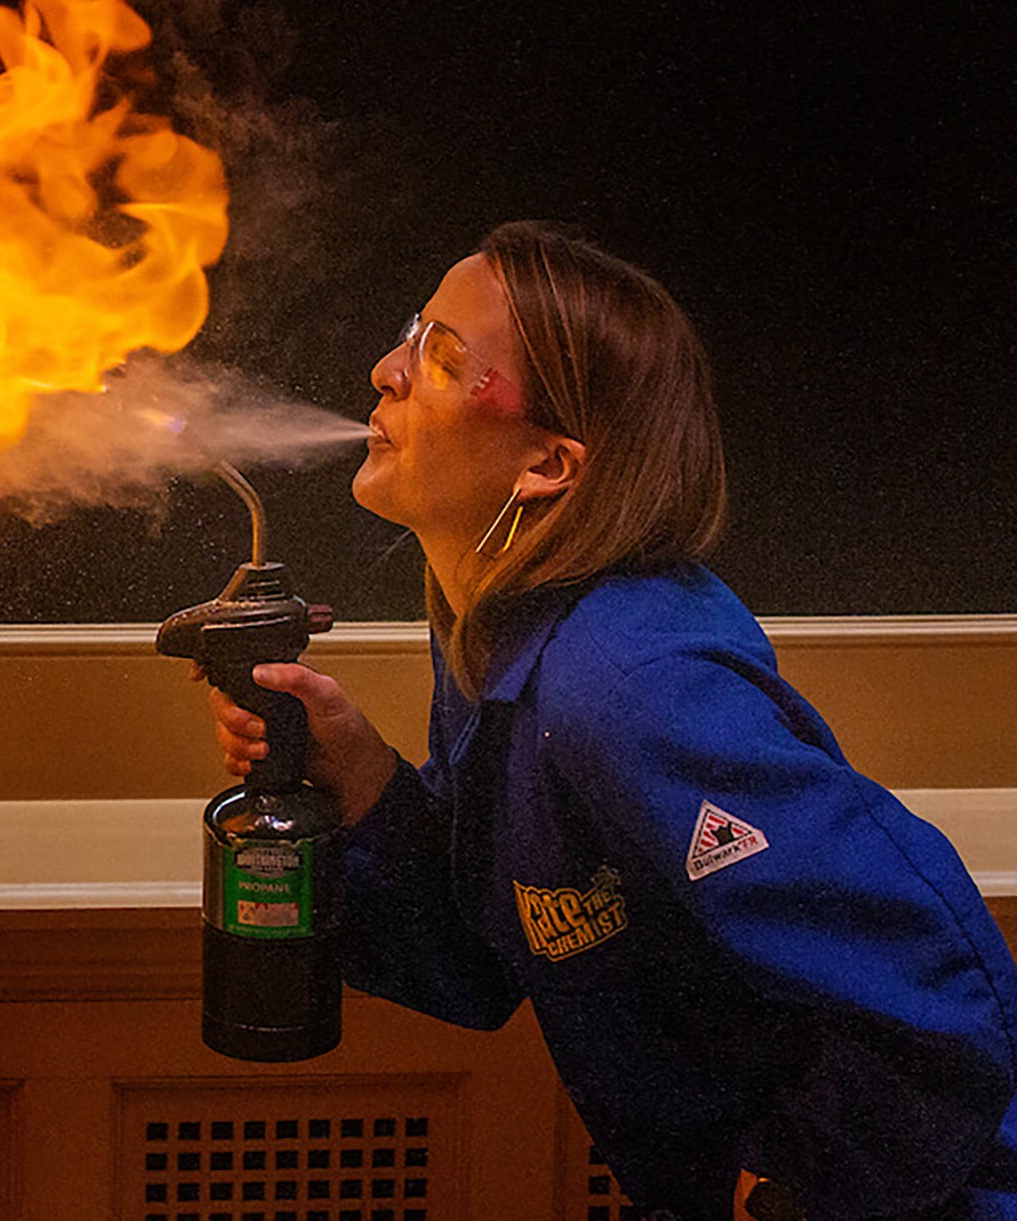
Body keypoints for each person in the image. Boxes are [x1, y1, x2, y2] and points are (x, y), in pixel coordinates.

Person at [207, 222, 1017, 1219]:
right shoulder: (497, 643)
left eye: (444, 360)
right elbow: (488, 962)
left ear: (547, 466)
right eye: (412, 334)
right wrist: (369, 784)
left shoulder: (629, 684)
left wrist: (794, 1190)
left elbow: (937, 989)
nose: (386, 372)